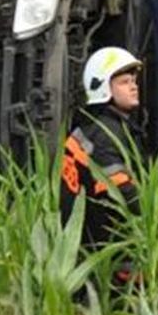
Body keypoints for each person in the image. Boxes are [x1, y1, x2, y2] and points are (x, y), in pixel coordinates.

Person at [61, 46, 143, 262]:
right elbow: (124, 193)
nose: (134, 87)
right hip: (98, 245)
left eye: (134, 81)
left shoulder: (96, 126)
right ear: (103, 88)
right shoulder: (105, 134)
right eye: (124, 82)